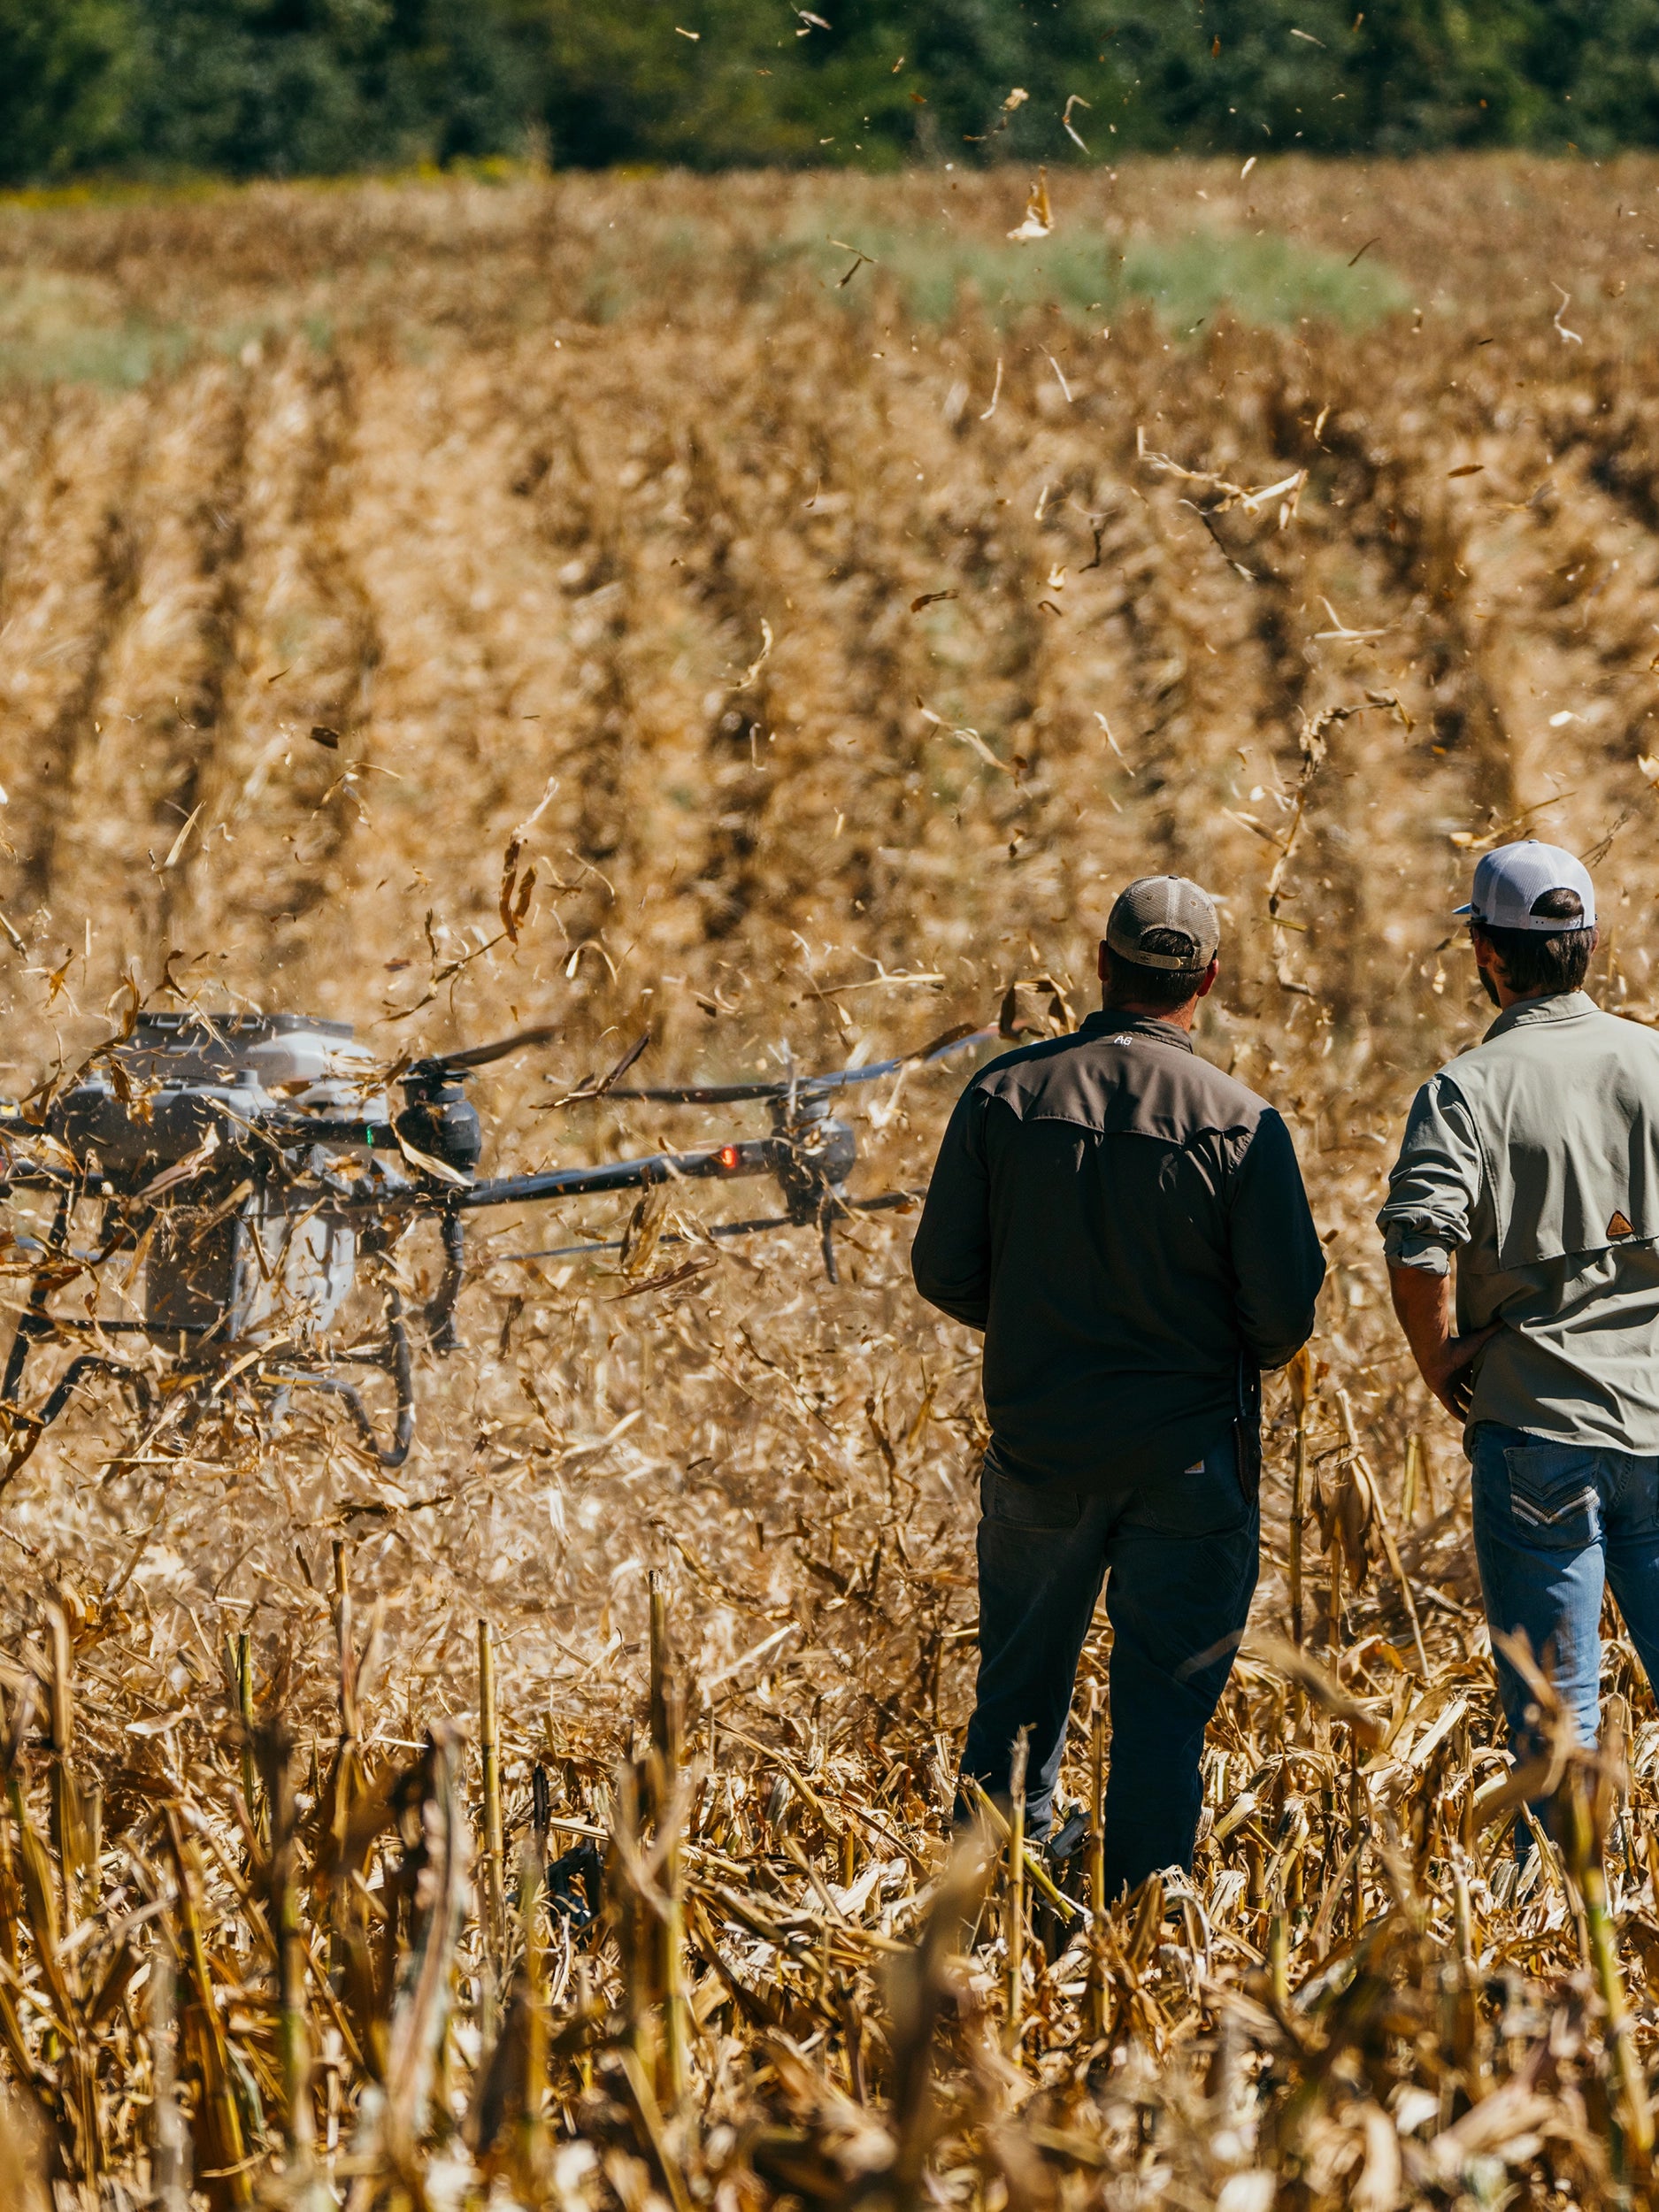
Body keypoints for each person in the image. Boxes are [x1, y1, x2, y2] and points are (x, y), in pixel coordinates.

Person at [911, 876, 1325, 1897]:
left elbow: (943, 1268)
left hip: (1040, 1451)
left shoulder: (1005, 1095)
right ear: (1209, 981)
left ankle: (990, 1915)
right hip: (1190, 1464)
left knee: (1013, 1703)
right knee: (1162, 1717)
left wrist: (1038, 1329)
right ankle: (1144, 1922)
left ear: (1101, 966)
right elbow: (1284, 1317)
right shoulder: (1242, 1122)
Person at [1379, 839, 1659, 1793]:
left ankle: (1569, 1890)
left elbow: (1418, 1239)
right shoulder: (1653, 1061)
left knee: (1557, 1724)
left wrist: (1438, 1358)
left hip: (1536, 1431)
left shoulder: (1465, 1089)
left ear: (1486, 953)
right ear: (1591, 944)